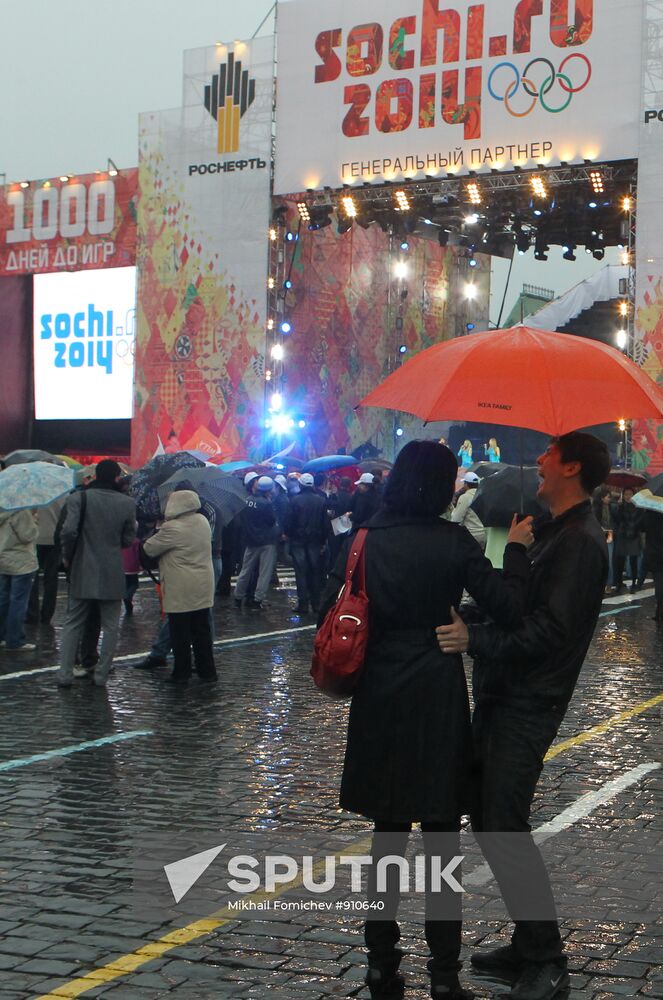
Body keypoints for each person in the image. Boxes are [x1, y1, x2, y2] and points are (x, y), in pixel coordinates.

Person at [319, 440, 534, 1000]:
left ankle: (380, 967)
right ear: (441, 487)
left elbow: (336, 600)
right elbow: (508, 609)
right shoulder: (451, 541)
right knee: (441, 842)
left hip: (379, 693)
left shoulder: (365, 538)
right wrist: (511, 552)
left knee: (386, 838)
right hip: (437, 687)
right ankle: (443, 976)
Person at [436, 431, 611, 1000]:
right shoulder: (553, 532)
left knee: (503, 823)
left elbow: (549, 631)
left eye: (550, 455)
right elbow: (522, 606)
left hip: (528, 701)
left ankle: (547, 957)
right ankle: (528, 940)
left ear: (572, 467)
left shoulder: (579, 543)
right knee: (490, 821)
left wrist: (475, 639)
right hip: (505, 693)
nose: (538, 461)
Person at [56, 460, 136, 687]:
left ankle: (65, 674)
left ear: (95, 475)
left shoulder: (78, 499)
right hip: (112, 568)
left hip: (82, 566)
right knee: (111, 625)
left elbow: (69, 531)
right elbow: (129, 538)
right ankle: (101, 675)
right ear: (117, 477)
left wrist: (67, 555)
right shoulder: (127, 503)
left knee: (73, 622)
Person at [143, 490, 217, 685]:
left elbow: (149, 548)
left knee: (180, 632)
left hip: (181, 586)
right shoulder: (202, 521)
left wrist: (158, 527)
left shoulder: (172, 528)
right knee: (202, 630)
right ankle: (207, 670)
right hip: (202, 583)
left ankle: (181, 671)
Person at [285, 472, 329, 614]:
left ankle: (303, 603)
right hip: (315, 541)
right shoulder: (321, 500)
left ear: (301, 484)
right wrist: (323, 541)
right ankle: (316, 603)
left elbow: (290, 521)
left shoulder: (295, 500)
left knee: (301, 572)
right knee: (315, 572)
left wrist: (289, 535)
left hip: (298, 541)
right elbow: (325, 523)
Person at [234, 477, 278, 610]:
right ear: (269, 489)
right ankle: (258, 599)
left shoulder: (247, 500)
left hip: (250, 540)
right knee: (264, 572)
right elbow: (271, 521)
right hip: (266, 540)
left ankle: (238, 596)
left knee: (245, 570)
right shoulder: (267, 503)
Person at [0, 506, 39, 652]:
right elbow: (28, 535)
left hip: (3, 559)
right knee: (19, 602)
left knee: (3, 600)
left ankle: (1, 636)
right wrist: (34, 520)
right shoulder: (20, 511)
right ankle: (15, 639)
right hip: (21, 561)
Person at [27, 496, 65, 625]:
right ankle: (47, 615)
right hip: (54, 538)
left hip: (36, 538)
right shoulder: (62, 494)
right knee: (51, 578)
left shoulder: (32, 493)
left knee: (33, 577)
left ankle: (32, 613)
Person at [611, 487, 644, 592]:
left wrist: (634, 528)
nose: (628, 496)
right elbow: (617, 519)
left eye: (630, 494)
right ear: (623, 495)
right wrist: (619, 506)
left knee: (633, 560)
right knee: (619, 560)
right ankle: (618, 582)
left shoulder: (638, 507)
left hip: (634, 535)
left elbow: (640, 520)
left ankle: (634, 582)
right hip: (622, 535)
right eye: (626, 494)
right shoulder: (619, 506)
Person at [451, 471, 486, 550]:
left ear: (466, 484)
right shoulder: (483, 495)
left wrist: (453, 511)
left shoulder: (465, 497)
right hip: (483, 535)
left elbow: (456, 519)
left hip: (470, 535)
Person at [643, 509, 663, 621]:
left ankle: (659, 611)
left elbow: (641, 527)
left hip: (654, 553)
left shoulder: (650, 513)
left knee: (659, 582)